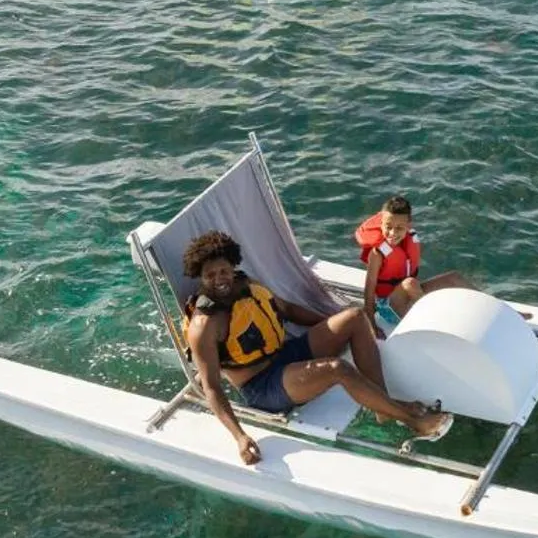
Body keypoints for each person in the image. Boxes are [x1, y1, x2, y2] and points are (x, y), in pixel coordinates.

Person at [181, 229, 450, 465]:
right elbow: (212, 388)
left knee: (355, 317)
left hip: (286, 355)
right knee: (336, 369)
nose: (220, 279)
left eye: (224, 270)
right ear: (200, 277)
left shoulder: (246, 284)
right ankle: (412, 421)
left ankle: (383, 408)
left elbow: (287, 310)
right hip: (263, 386)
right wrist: (239, 437)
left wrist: (332, 325)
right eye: (210, 275)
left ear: (233, 265)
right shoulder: (204, 326)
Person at [356, 195, 472, 323]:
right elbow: (369, 289)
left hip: (409, 295)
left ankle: (495, 309)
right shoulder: (377, 253)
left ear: (408, 225)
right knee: (410, 283)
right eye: (388, 227)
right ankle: (439, 323)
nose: (392, 233)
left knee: (454, 278)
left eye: (399, 228)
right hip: (388, 307)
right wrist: (371, 324)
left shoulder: (409, 240)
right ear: (381, 224)